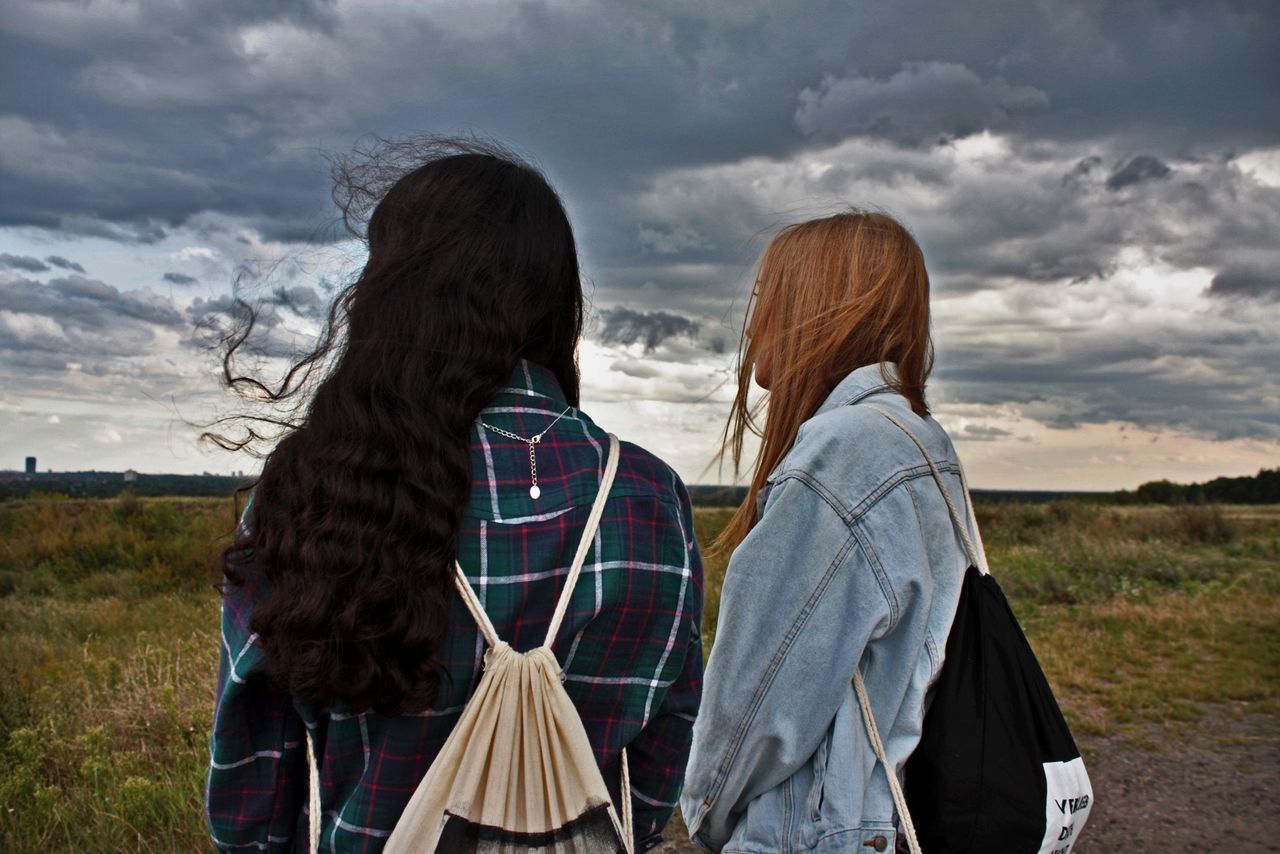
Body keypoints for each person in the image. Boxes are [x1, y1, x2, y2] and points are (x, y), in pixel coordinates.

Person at [204, 140, 703, 853]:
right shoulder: (650, 496)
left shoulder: (316, 490)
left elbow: (253, 783)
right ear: (556, 301)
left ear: (390, 296)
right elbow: (662, 751)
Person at [680, 211, 981, 853]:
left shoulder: (843, 451)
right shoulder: (916, 438)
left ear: (812, 308)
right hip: (879, 818)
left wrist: (704, 811)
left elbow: (758, 705)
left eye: (767, 299)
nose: (753, 321)